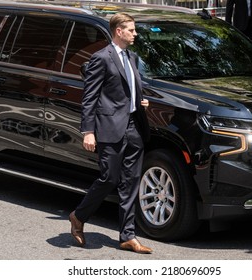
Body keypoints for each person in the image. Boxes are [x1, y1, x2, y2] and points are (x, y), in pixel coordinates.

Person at [68, 13, 152, 254]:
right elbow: (90, 97)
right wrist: (88, 131)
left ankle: (127, 236)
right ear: (118, 31)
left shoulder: (132, 57)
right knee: (109, 178)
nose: (135, 34)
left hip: (134, 126)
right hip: (109, 128)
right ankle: (78, 215)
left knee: (131, 182)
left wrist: (139, 102)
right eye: (131, 30)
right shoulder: (101, 58)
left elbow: (127, 89)